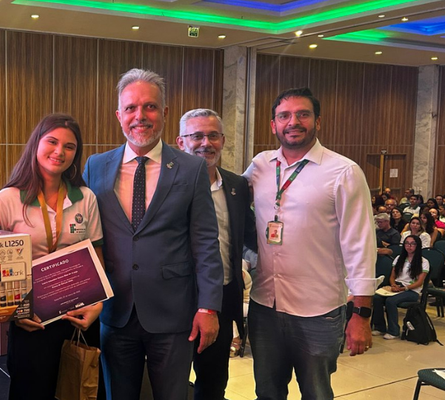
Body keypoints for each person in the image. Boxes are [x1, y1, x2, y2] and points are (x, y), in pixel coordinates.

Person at [84, 68, 223, 400]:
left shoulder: (191, 169)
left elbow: (205, 241)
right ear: (119, 115)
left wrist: (208, 307)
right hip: (114, 311)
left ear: (164, 112)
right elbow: (84, 235)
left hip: (173, 313)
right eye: (131, 108)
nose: (140, 116)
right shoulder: (96, 166)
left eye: (149, 107)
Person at [242, 88, 376, 399]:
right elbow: (226, 198)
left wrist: (361, 315)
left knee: (316, 393)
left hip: (319, 311)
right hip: (265, 305)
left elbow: (360, 245)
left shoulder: (343, 172)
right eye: (284, 116)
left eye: (303, 114)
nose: (293, 122)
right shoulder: (261, 165)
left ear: (317, 121)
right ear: (273, 124)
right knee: (267, 392)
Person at [0, 113, 105, 400]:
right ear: (35, 144)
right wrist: (14, 312)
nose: (60, 152)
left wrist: (98, 304)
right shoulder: (7, 199)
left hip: (77, 316)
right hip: (31, 319)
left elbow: (96, 253)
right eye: (52, 142)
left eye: (69, 146)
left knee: (79, 392)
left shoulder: (85, 197)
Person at [176, 108, 256, 400]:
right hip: (176, 301)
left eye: (212, 136)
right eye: (196, 136)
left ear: (222, 140)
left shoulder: (236, 186)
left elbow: (250, 237)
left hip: (221, 300)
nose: (205, 143)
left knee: (213, 384)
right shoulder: (165, 186)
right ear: (180, 142)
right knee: (170, 382)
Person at [371, 234, 429, 339]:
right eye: (407, 243)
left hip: (412, 291)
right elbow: (392, 276)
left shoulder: (423, 262)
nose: (409, 246)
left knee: (390, 301)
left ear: (418, 245)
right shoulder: (399, 258)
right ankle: (380, 327)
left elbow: (419, 283)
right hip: (397, 286)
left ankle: (394, 330)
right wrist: (393, 284)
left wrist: (403, 288)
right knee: (376, 298)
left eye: (412, 244)